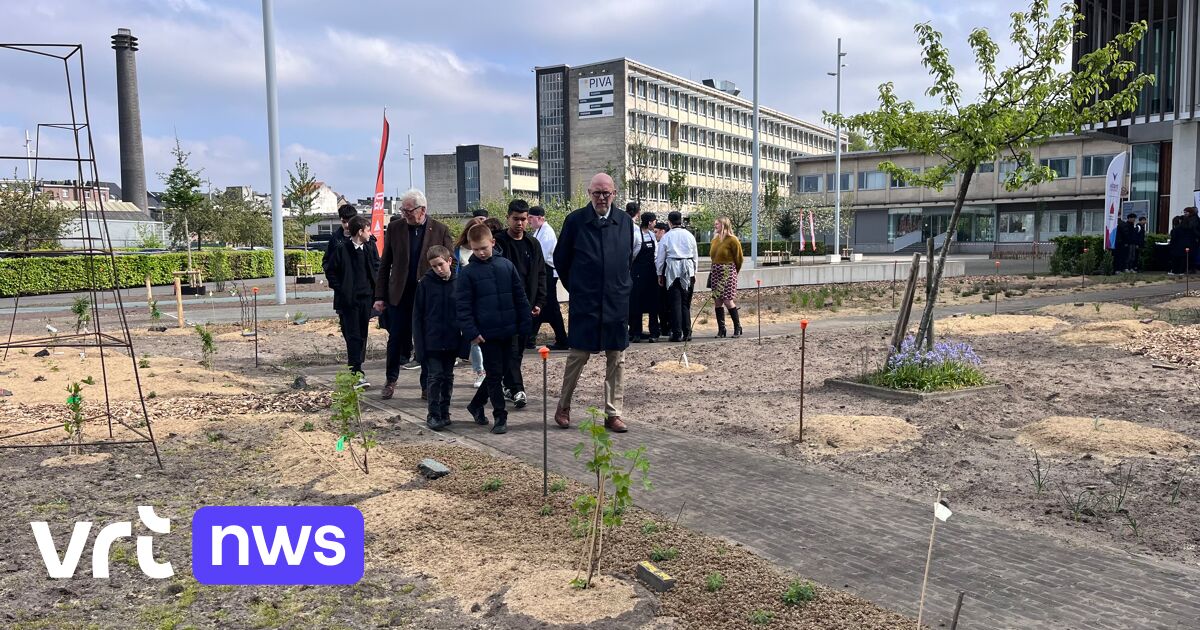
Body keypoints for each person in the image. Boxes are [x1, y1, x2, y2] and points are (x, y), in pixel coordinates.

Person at [553, 173, 638, 433]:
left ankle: (613, 413)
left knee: (617, 358)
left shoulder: (624, 221)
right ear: (589, 193)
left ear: (614, 194)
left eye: (607, 193)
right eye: (597, 193)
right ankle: (564, 406)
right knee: (577, 356)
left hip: (615, 302)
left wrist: (622, 287)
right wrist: (577, 288)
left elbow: (627, 259)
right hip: (586, 302)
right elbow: (561, 260)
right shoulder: (575, 221)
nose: (602, 198)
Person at [374, 189, 453, 400]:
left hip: (429, 297)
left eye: (408, 210)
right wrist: (379, 296)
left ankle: (427, 385)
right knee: (396, 339)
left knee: (425, 341)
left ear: (422, 210)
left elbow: (450, 263)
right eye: (403, 210)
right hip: (400, 295)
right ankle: (391, 380)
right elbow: (385, 264)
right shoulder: (395, 228)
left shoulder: (440, 230)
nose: (404, 214)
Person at [457, 223, 532, 434]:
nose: (480, 253)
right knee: (494, 375)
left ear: (493, 243)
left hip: (510, 330)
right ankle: (500, 416)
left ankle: (475, 404)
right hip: (486, 334)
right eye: (476, 249)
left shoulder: (506, 266)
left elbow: (519, 296)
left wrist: (525, 324)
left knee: (501, 372)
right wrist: (472, 332)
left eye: (484, 248)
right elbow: (463, 307)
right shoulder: (468, 273)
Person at [493, 199, 547, 409]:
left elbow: (541, 273)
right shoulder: (498, 242)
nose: (520, 223)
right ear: (508, 218)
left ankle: (508, 385)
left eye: (524, 219)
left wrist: (540, 301)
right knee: (512, 349)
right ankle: (517, 389)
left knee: (519, 350)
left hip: (528, 306)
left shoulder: (533, 244)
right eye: (516, 219)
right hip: (505, 307)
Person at [325, 215, 380, 389]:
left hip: (366, 300)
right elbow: (331, 270)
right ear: (360, 231)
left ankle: (357, 368)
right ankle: (356, 372)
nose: (370, 233)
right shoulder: (342, 249)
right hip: (348, 301)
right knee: (353, 335)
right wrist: (341, 289)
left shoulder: (370, 248)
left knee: (362, 334)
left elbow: (377, 267)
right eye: (368, 230)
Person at [413, 246, 464, 431]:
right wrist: (419, 347)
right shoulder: (425, 284)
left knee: (448, 377)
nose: (438, 269)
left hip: (451, 340)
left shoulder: (459, 282)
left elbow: (464, 313)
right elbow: (417, 317)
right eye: (434, 266)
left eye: (441, 264)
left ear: (449, 261)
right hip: (432, 341)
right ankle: (433, 414)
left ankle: (445, 411)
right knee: (434, 377)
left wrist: (464, 343)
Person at [453, 217, 488, 388]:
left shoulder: (487, 254)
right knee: (473, 337)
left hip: (484, 297)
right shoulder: (458, 251)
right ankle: (480, 371)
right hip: (467, 295)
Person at [529, 206, 569, 350]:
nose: (529, 221)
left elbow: (542, 256)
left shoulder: (547, 232)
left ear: (540, 218)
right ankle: (531, 337)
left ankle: (562, 339)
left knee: (550, 306)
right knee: (542, 306)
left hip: (548, 272)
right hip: (542, 271)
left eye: (531, 218)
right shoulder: (538, 232)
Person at [656, 210, 699, 343]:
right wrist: (694, 272)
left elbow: (661, 258)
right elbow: (695, 255)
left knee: (675, 303)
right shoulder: (689, 235)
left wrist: (659, 274)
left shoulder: (667, 237)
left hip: (673, 268)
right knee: (685, 303)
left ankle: (676, 332)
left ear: (669, 222)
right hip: (688, 268)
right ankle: (687, 332)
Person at [708, 217, 744, 338]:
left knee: (728, 300)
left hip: (728, 271)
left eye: (717, 224)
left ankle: (737, 327)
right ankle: (721, 329)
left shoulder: (733, 240)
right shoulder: (715, 240)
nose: (715, 226)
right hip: (716, 271)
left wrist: (733, 271)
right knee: (717, 300)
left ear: (724, 225)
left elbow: (739, 258)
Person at [628, 212, 660, 342]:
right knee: (637, 303)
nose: (655, 224)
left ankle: (654, 332)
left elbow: (656, 254)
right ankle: (636, 332)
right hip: (637, 273)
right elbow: (632, 254)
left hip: (651, 273)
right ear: (649, 222)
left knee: (653, 304)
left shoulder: (652, 236)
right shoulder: (636, 236)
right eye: (654, 221)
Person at [321, 203, 363, 276]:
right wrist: (335, 283)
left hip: (364, 285)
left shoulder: (365, 237)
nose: (346, 225)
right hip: (342, 285)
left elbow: (374, 263)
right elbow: (327, 261)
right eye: (344, 221)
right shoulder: (335, 239)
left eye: (349, 221)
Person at [654, 221, 671, 337]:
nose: (654, 234)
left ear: (662, 231)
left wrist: (659, 274)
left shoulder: (663, 243)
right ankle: (666, 326)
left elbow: (659, 260)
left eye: (656, 232)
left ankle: (665, 326)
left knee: (663, 303)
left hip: (664, 275)